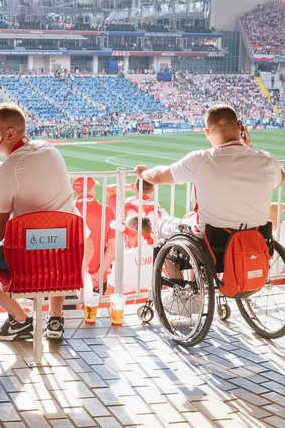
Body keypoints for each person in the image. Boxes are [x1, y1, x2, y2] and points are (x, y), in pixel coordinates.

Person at [0, 103, 92, 341]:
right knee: (57, 227)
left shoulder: (5, 174)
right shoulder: (50, 151)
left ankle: (20, 321)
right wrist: (0, 167)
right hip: (67, 260)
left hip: (29, 265)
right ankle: (56, 318)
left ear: (9, 134)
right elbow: (27, 167)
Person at [135, 104, 285, 269]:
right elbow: (280, 178)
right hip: (256, 241)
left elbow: (158, 176)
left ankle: (183, 292)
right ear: (240, 127)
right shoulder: (266, 160)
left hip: (211, 245)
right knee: (190, 218)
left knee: (160, 225)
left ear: (207, 132)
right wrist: (248, 148)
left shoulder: (201, 159)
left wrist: (143, 173)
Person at [72, 176, 115, 292]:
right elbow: (112, 248)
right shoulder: (107, 211)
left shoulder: (68, 211)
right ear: (91, 189)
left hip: (73, 278)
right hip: (98, 280)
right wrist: (98, 275)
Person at [105, 216, 153, 296]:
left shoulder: (124, 257)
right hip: (152, 303)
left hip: (128, 305)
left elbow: (109, 293)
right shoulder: (159, 252)